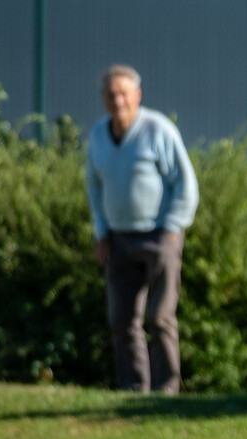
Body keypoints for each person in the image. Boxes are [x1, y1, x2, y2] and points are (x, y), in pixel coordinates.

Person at [85, 64, 198, 394]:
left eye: (123, 93)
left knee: (160, 318)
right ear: (104, 98)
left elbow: (186, 183)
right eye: (111, 95)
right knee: (122, 320)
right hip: (117, 237)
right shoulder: (98, 135)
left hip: (159, 235)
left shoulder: (158, 129)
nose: (117, 101)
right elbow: (94, 188)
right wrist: (101, 233)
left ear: (137, 95)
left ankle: (166, 390)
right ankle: (133, 388)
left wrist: (173, 227)